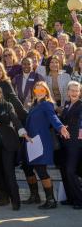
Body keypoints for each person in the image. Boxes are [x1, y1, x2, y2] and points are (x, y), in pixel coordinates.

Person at [21, 81, 70, 209]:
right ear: (34, 92)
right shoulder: (34, 105)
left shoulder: (47, 104)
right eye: (37, 90)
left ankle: (51, 200)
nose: (39, 92)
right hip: (30, 141)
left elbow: (53, 117)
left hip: (41, 142)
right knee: (27, 168)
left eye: (42, 89)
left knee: (41, 170)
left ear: (46, 91)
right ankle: (34, 196)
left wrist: (60, 127)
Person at [0, 85, 26, 211]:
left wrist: (22, 131)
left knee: (9, 171)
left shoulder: (7, 105)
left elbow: (15, 119)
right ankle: (3, 197)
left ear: (0, 93)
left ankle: (15, 200)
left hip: (8, 142)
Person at [59, 81, 82, 209]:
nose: (73, 93)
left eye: (76, 90)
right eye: (71, 90)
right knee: (63, 170)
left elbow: (81, 123)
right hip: (64, 143)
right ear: (67, 92)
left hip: (75, 143)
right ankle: (70, 198)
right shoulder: (67, 105)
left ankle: (79, 200)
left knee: (70, 171)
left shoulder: (81, 105)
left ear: (79, 92)